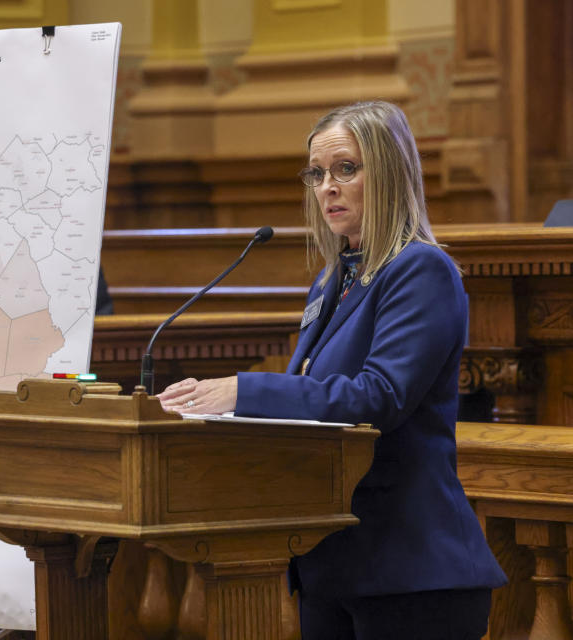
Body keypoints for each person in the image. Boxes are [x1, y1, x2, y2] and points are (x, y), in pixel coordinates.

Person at [158, 101, 506, 640]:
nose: (327, 188)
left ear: (388, 172)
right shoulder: (331, 282)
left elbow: (379, 397)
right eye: (317, 174)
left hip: (410, 570)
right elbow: (309, 396)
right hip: (331, 561)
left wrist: (242, 391)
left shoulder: (420, 270)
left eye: (346, 168)